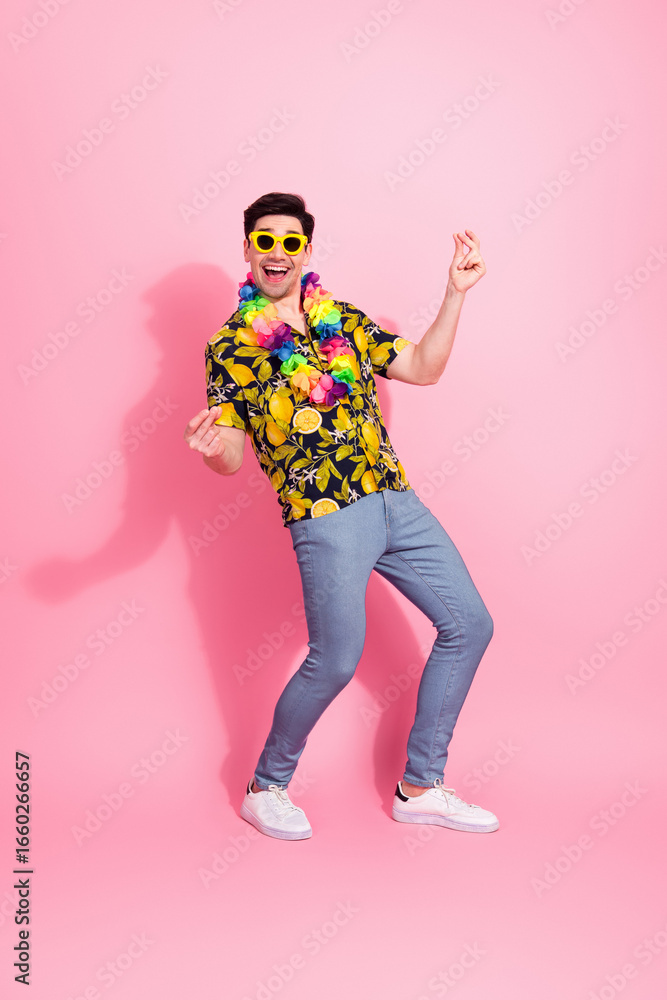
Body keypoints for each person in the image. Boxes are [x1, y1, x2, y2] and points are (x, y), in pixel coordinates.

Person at [184, 191, 498, 841]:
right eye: (263, 241)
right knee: (335, 658)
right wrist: (215, 450)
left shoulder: (343, 321)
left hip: (394, 499)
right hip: (325, 514)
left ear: (304, 250)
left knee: (469, 622)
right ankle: (265, 786)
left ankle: (419, 786)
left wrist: (454, 294)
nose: (276, 253)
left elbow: (420, 367)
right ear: (246, 249)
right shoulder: (230, 347)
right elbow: (233, 454)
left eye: (288, 241)